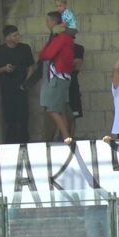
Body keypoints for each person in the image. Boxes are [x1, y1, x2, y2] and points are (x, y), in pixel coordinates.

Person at [0, 25, 35, 144]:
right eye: (15, 35)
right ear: (8, 37)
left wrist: (26, 83)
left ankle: (25, 143)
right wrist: (4, 68)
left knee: (23, 118)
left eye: (18, 34)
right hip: (7, 90)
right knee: (10, 119)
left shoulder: (25, 48)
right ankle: (10, 144)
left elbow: (30, 67)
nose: (18, 37)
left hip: (22, 88)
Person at [37, 11, 75, 144]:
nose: (47, 24)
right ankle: (66, 136)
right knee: (60, 109)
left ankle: (66, 137)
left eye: (48, 21)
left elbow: (46, 54)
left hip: (58, 76)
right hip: (63, 76)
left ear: (54, 22)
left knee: (52, 109)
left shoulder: (61, 37)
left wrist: (42, 53)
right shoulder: (67, 37)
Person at [68, 42, 85, 137]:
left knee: (73, 115)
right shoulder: (54, 47)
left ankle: (70, 138)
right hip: (58, 87)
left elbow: (77, 64)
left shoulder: (77, 48)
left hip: (72, 84)